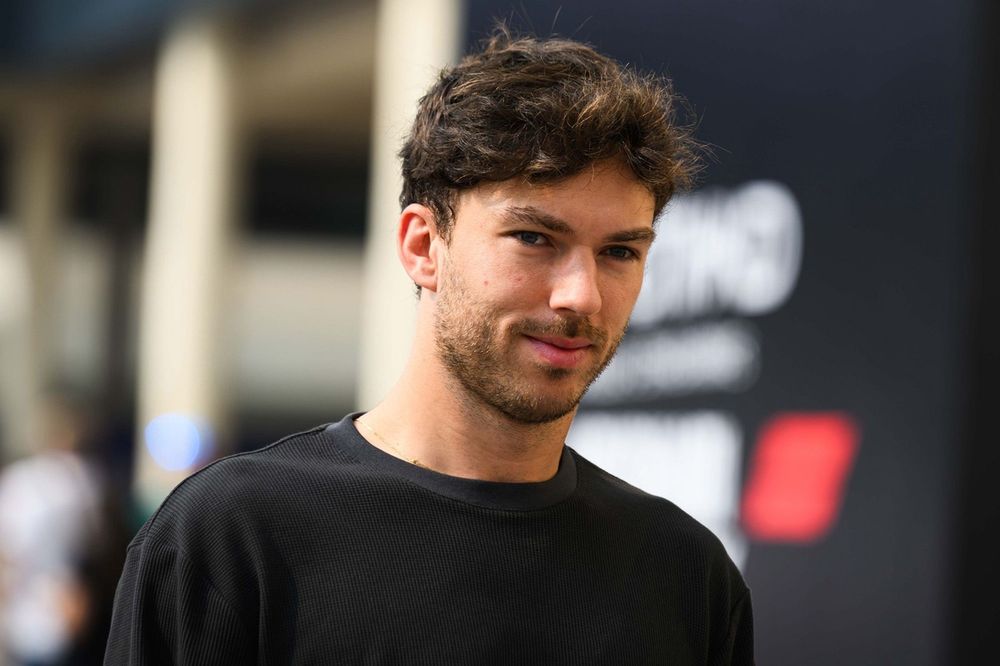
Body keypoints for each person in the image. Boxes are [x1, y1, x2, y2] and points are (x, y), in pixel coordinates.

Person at [105, 28, 754, 665]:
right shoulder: (233, 537)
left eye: (619, 252)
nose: (581, 297)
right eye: (533, 238)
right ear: (423, 246)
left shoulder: (686, 576)